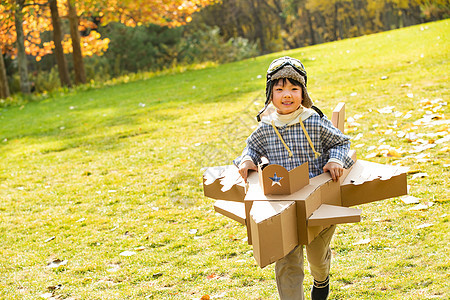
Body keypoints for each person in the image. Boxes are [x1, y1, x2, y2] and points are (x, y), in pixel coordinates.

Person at [234, 56, 354, 300]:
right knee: (287, 260)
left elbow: (342, 143)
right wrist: (247, 160)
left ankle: (321, 281)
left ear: (303, 93)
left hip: (317, 201)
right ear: (270, 94)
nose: (286, 94)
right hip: (282, 203)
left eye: (293, 88)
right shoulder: (266, 127)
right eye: (279, 89)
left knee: (317, 255)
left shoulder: (314, 121)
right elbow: (251, 149)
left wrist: (335, 160)